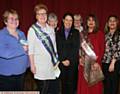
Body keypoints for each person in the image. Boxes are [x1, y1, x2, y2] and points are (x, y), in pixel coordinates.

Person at [27, 4, 68, 94]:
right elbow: (31, 50)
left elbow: (54, 47)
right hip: (40, 66)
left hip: (52, 65)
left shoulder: (51, 29)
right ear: (36, 16)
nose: (42, 16)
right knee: (44, 90)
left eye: (44, 13)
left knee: (54, 90)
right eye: (39, 14)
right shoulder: (32, 30)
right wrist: (32, 65)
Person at [0, 9, 29, 90]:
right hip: (7, 76)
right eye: (11, 18)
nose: (15, 21)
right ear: (5, 21)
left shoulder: (21, 33)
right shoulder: (1, 35)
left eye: (16, 19)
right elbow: (5, 53)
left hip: (21, 73)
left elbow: (26, 50)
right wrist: (22, 49)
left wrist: (29, 65)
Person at [77, 14, 105, 94]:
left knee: (95, 87)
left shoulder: (100, 34)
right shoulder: (82, 34)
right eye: (89, 20)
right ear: (86, 22)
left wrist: (97, 62)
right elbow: (79, 48)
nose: (91, 22)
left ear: (96, 22)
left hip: (95, 64)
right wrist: (79, 58)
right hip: (84, 64)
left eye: (93, 20)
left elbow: (102, 50)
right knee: (84, 86)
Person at [56, 13, 80, 94]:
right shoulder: (57, 33)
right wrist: (62, 60)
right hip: (62, 63)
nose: (68, 22)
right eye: (67, 20)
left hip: (72, 63)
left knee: (72, 86)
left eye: (71, 20)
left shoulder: (76, 33)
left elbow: (76, 48)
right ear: (63, 20)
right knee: (63, 85)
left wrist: (69, 60)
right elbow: (57, 48)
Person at [102, 15, 120, 94]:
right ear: (107, 23)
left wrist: (113, 62)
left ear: (117, 23)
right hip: (105, 63)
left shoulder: (119, 35)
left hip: (114, 64)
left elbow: (119, 50)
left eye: (114, 21)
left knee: (113, 87)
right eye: (110, 21)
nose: (112, 22)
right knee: (106, 86)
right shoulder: (104, 35)